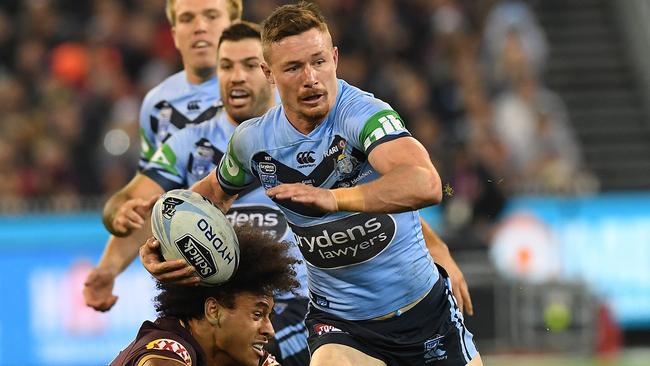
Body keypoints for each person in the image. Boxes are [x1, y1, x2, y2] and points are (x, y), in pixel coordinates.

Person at [144, 3, 482, 365]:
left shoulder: (364, 116)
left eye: (318, 61)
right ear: (268, 73)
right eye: (292, 67)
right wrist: (161, 242)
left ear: (334, 58)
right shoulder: (253, 142)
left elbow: (425, 183)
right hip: (341, 324)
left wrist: (334, 199)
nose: (310, 78)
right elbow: (208, 198)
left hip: (425, 313)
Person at [87, 22, 312, 366]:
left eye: (249, 65)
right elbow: (139, 208)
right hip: (218, 308)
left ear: (269, 73)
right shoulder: (188, 142)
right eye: (226, 66)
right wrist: (109, 265)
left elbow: (387, 205)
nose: (236, 76)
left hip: (294, 304)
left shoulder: (314, 136)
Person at [84, 0, 241, 309]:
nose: (200, 27)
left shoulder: (267, 89)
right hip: (199, 277)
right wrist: (109, 268)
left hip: (270, 270)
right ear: (173, 32)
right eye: (187, 18)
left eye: (211, 15)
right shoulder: (159, 104)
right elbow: (152, 204)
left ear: (235, 22)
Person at [110, 225, 299, 366]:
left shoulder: (249, 358)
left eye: (269, 316)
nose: (270, 330)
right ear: (213, 310)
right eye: (258, 314)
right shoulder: (168, 353)